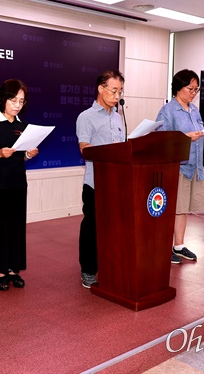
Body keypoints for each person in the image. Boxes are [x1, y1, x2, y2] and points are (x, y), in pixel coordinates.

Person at [0, 79, 39, 291]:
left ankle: (14, 269)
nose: (17, 105)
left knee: (16, 227)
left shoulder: (23, 127)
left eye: (21, 101)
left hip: (18, 184)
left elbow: (18, 158)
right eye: (13, 100)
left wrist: (29, 155)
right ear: (3, 99)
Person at [155, 69, 204, 264]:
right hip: (177, 167)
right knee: (173, 208)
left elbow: (199, 131)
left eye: (196, 89)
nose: (193, 93)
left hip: (194, 166)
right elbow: (162, 139)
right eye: (190, 88)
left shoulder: (194, 110)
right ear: (178, 87)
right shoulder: (168, 111)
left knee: (183, 208)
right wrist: (186, 137)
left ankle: (179, 245)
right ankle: (163, 247)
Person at [76, 70, 125, 288]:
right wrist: (109, 151)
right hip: (95, 183)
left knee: (115, 227)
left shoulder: (117, 117)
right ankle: (88, 270)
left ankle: (110, 263)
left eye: (120, 91)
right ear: (101, 89)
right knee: (92, 228)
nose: (117, 96)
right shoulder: (86, 117)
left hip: (118, 182)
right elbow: (85, 149)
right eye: (114, 90)